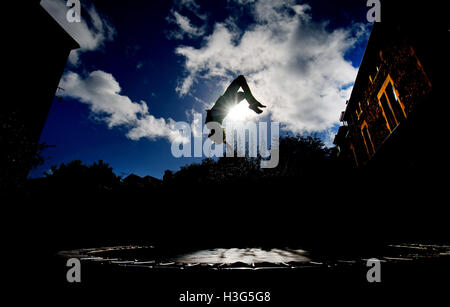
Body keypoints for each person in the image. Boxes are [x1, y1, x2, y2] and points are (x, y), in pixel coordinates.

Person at [205, 75, 265, 142]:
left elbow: (212, 119)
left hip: (229, 104)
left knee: (243, 94)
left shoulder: (212, 125)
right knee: (240, 79)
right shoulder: (213, 125)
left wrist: (217, 137)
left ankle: (252, 104)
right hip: (227, 100)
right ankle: (252, 104)